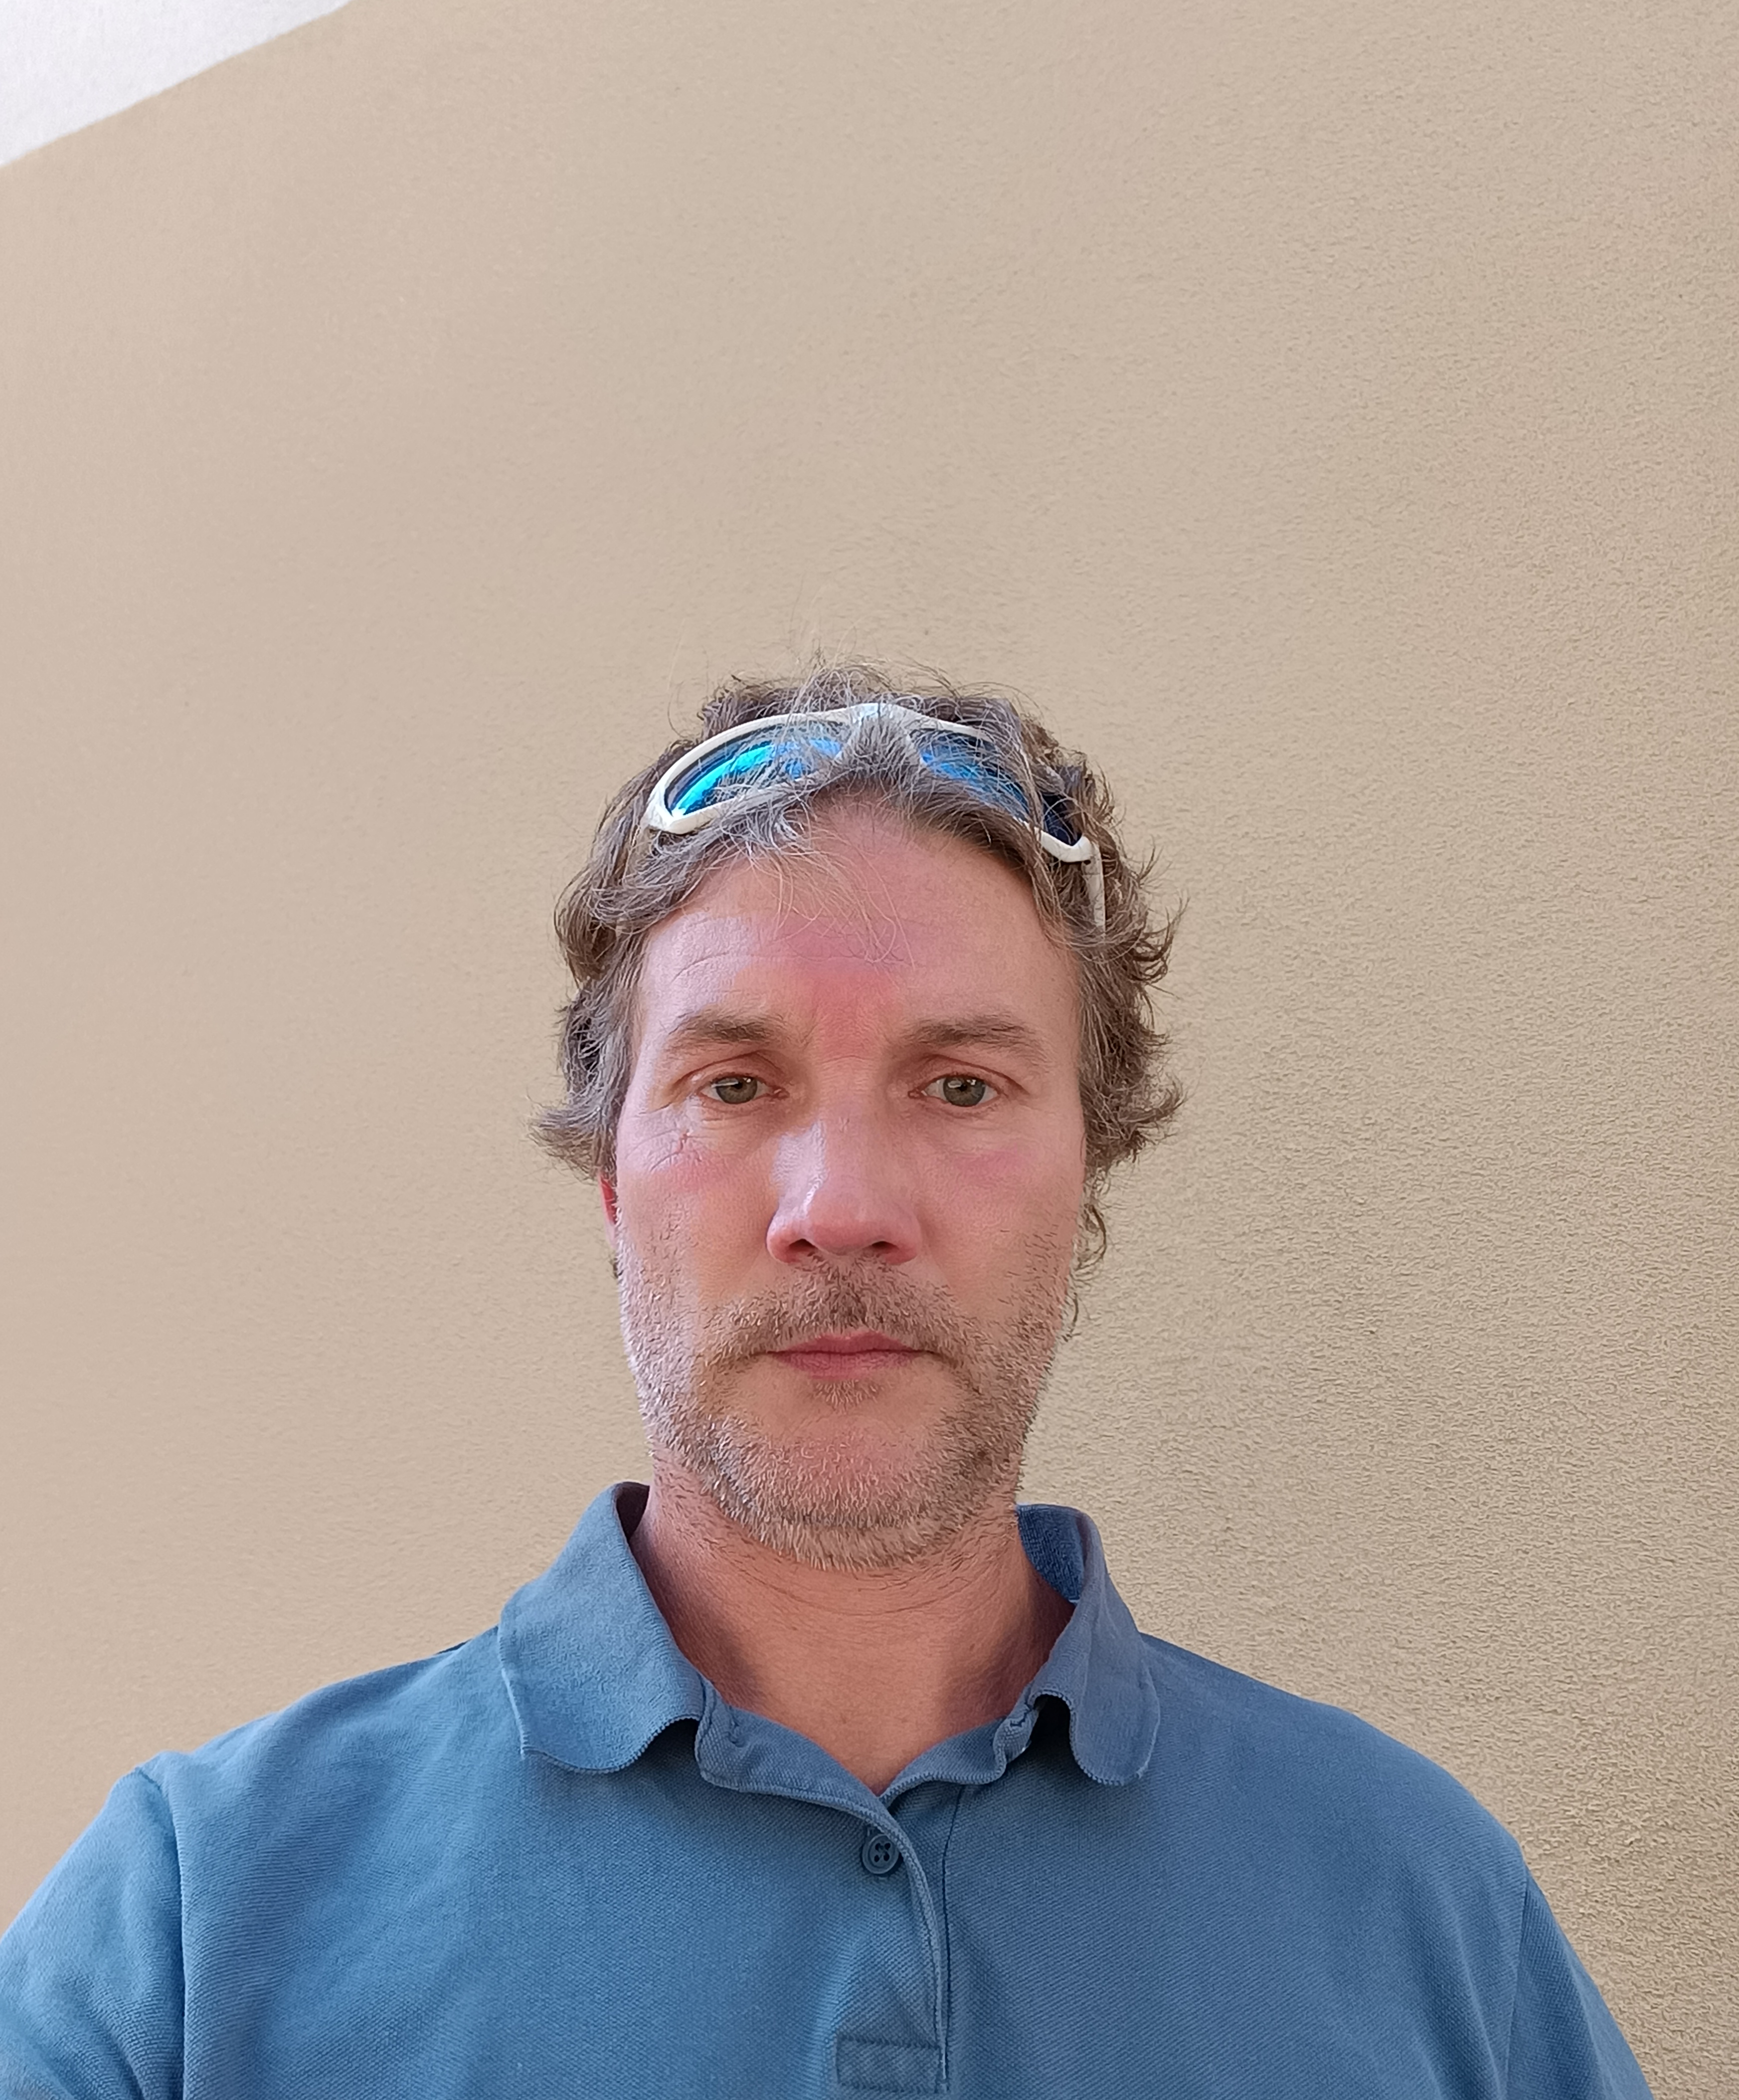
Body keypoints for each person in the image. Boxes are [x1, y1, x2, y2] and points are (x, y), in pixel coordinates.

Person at [0, 665, 1652, 2097]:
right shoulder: (192, 1931)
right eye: (735, 1084)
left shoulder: (1424, 1910)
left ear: (1087, 1177)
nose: (842, 1206)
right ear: (612, 1188)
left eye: (960, 1083)